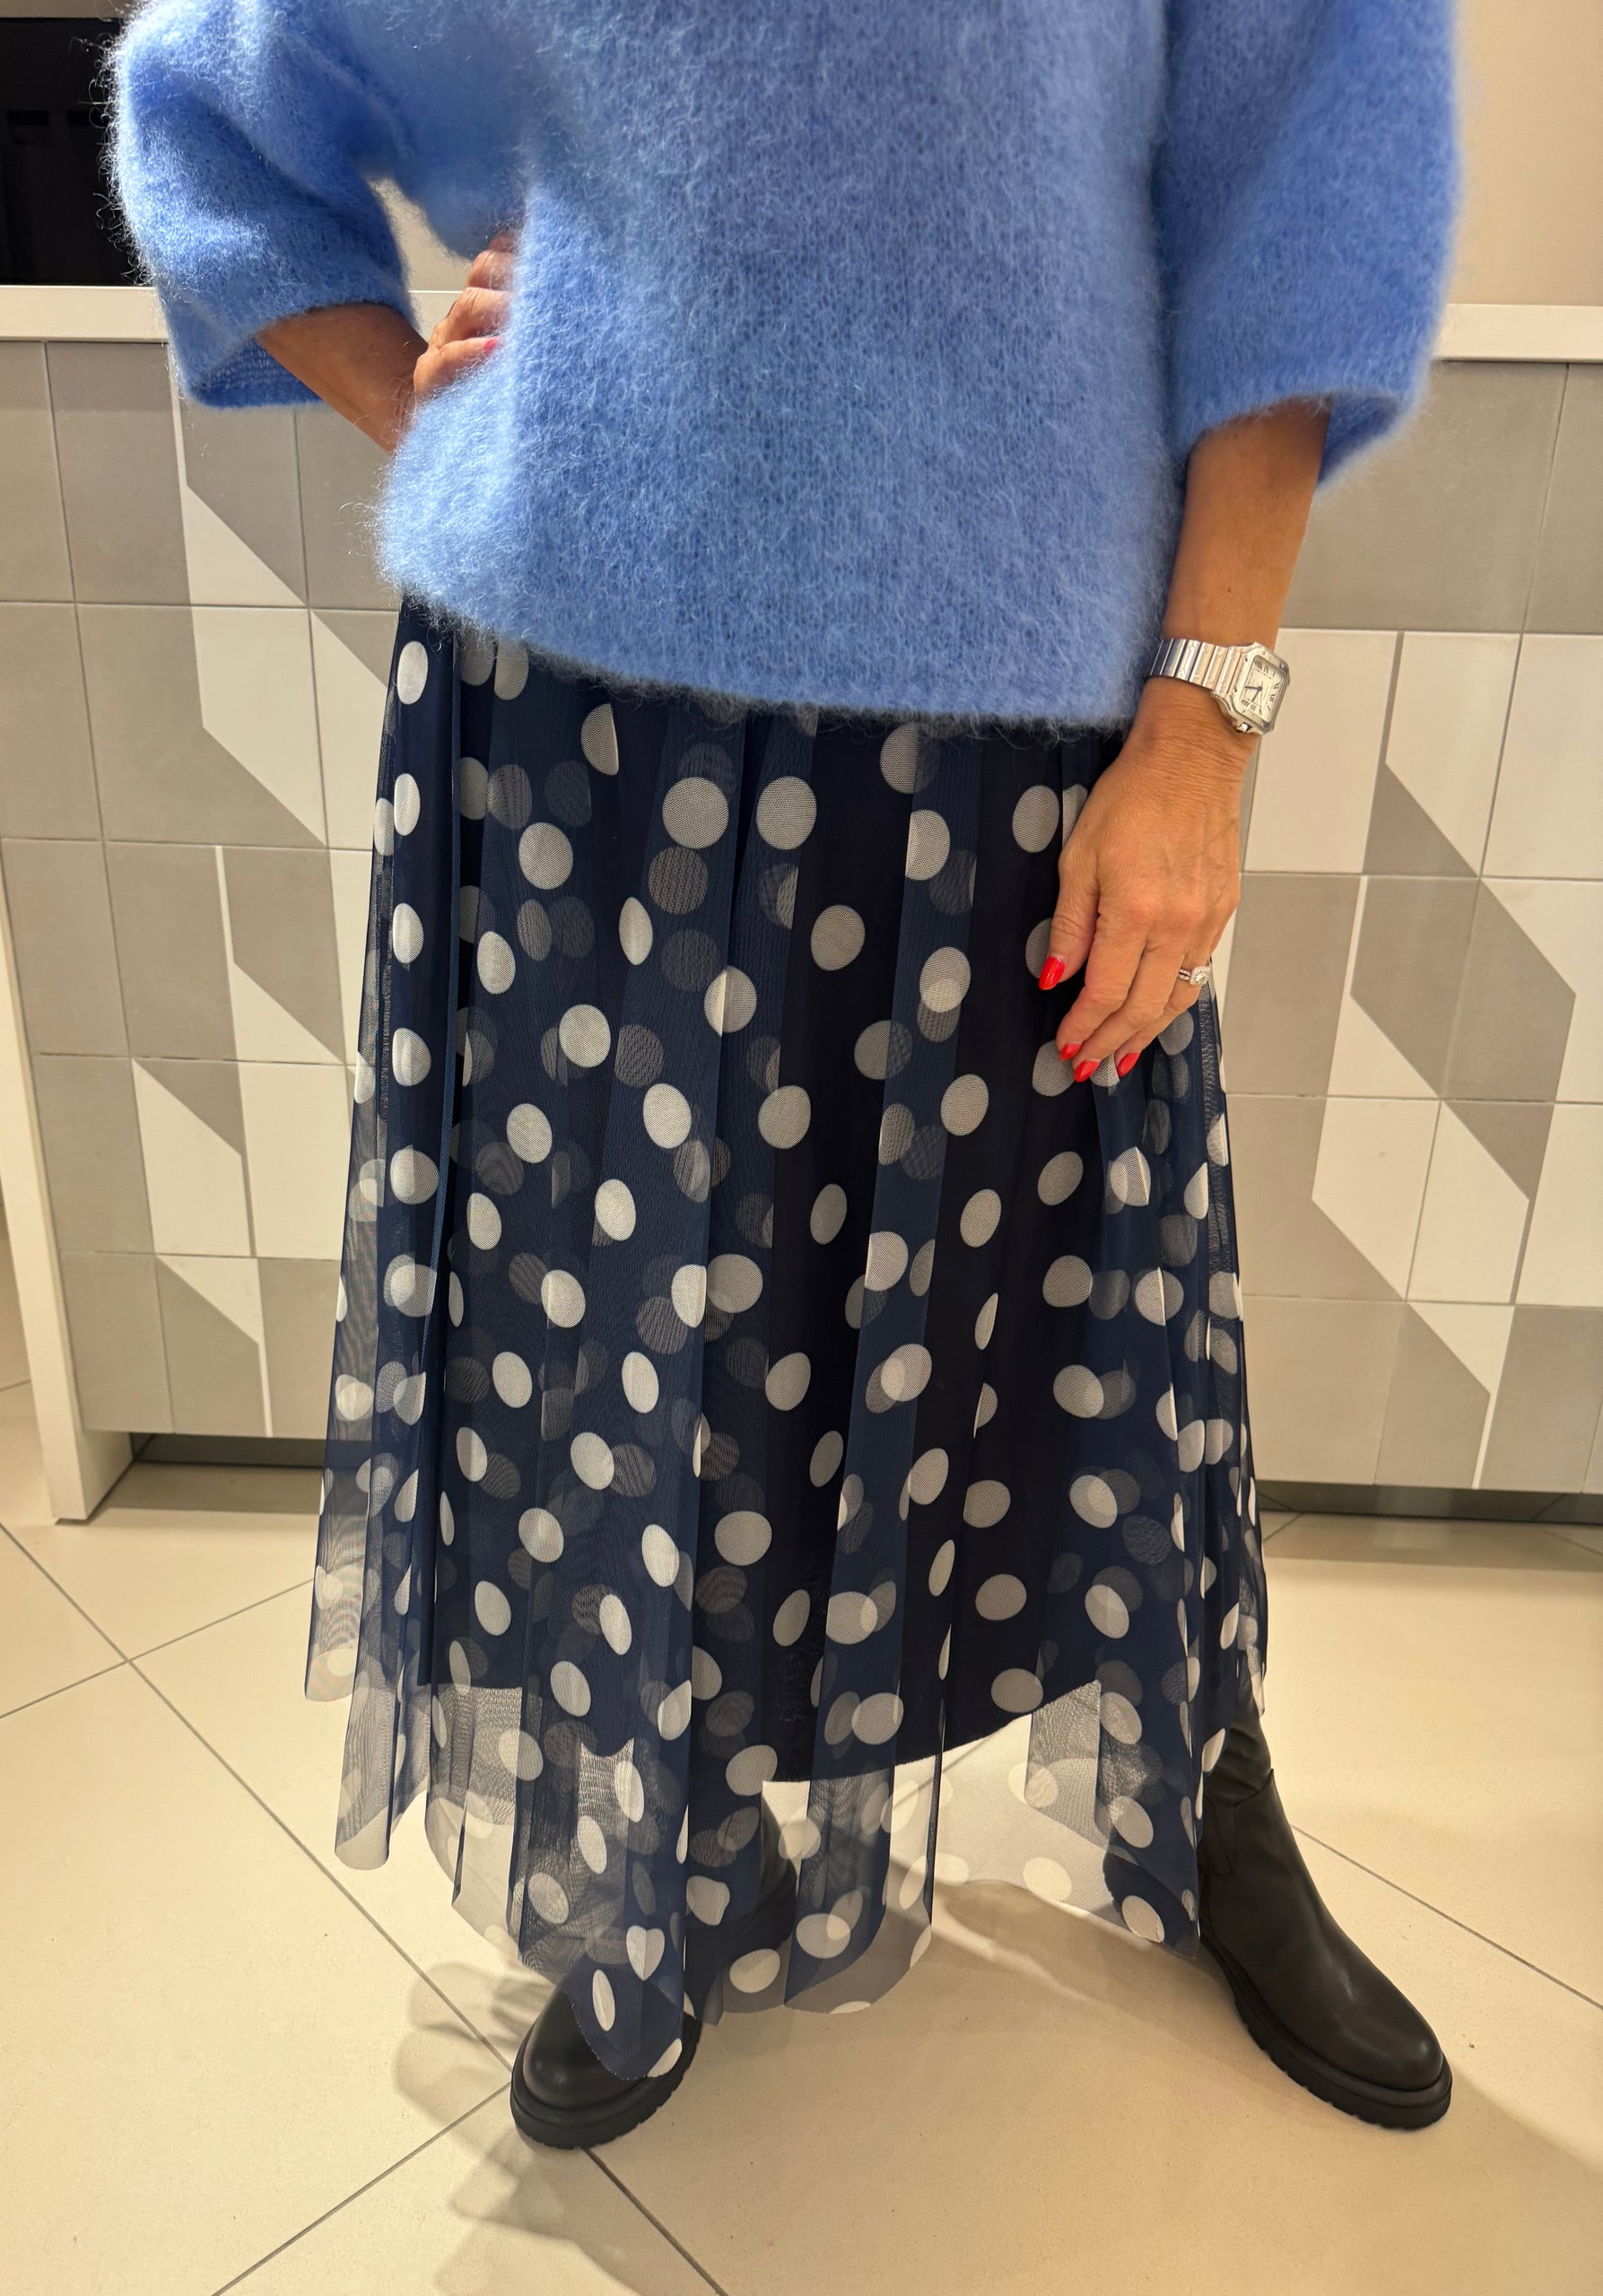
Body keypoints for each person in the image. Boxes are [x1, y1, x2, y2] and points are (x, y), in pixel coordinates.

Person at [111, 0, 1459, 2145]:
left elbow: (1302, 186)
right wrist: (427, 407)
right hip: (586, 725)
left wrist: (1206, 718)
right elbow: (214, 97)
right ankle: (669, 1842)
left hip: (1008, 714)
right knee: (639, 1318)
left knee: (1100, 1289)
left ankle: (1199, 1780)